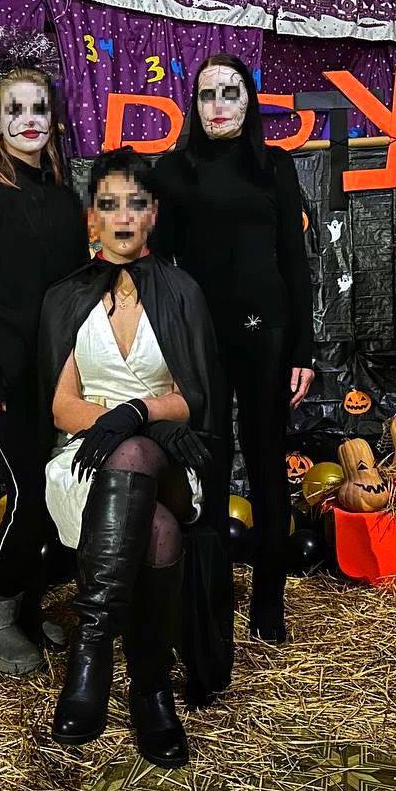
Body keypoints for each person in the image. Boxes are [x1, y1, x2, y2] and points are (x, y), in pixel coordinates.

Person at [39, 148, 232, 767]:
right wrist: (113, 423)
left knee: (139, 450)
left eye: (136, 203)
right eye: (109, 204)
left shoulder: (183, 292)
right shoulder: (65, 297)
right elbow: (61, 407)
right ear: (91, 217)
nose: (122, 216)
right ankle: (150, 690)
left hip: (171, 455)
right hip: (87, 458)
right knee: (157, 528)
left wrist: (138, 411)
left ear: (153, 215)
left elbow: (194, 398)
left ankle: (91, 653)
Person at [151, 54, 314, 644]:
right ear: (193, 105)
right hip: (201, 341)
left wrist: (304, 350)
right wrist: (163, 344)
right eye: (206, 94)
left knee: (268, 467)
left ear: (249, 101)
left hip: (267, 334)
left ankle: (270, 605)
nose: (217, 105)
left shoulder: (275, 166)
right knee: (209, 470)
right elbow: (158, 265)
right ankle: (211, 603)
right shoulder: (173, 171)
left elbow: (294, 262)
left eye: (230, 92)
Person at [0, 42, 90, 676]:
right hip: (4, 374)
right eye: (15, 110)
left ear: (53, 118)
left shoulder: (60, 192)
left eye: (38, 109)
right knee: (31, 490)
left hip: (59, 373)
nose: (29, 120)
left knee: (56, 492)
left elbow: (77, 284)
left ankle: (26, 608)